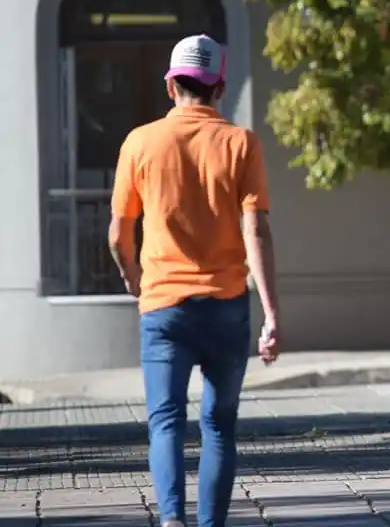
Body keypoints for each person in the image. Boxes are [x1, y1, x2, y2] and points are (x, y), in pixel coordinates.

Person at [108, 34, 282, 527]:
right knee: (219, 426)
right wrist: (271, 313)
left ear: (170, 85)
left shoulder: (140, 142)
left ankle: (170, 520)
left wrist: (133, 276)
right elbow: (256, 229)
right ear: (220, 87)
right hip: (227, 305)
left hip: (163, 305)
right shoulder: (241, 143)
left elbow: (119, 232)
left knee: (164, 422)